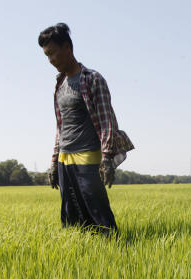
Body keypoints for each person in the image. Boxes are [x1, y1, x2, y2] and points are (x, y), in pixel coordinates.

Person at [38, 23, 133, 235]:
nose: (50, 60)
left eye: (53, 53)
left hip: (88, 155)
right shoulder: (59, 84)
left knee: (98, 211)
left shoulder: (92, 79)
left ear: (67, 48)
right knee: (71, 214)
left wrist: (107, 158)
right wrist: (54, 162)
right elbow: (60, 127)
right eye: (46, 56)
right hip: (65, 157)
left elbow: (106, 120)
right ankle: (82, 251)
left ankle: (114, 251)